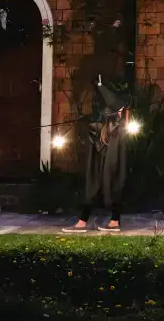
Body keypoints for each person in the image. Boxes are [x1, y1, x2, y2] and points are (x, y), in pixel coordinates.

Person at [62, 81, 128, 233]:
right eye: (118, 109)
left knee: (112, 185)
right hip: (101, 159)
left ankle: (113, 221)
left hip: (112, 161)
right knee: (92, 187)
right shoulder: (99, 127)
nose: (121, 111)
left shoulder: (117, 128)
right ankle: (83, 222)